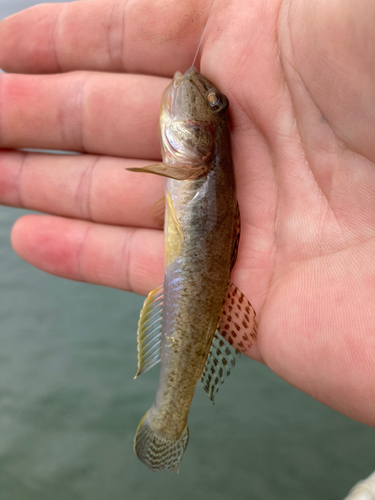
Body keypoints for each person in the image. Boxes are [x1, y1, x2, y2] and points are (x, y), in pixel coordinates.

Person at [0, 0, 374, 427]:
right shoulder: (194, 163)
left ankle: (168, 417)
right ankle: (169, 413)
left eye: (214, 103)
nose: (200, 90)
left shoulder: (194, 162)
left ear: (205, 143)